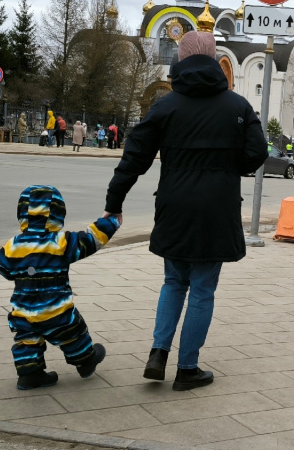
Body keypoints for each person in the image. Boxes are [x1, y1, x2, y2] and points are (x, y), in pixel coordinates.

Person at [104, 31, 268, 391]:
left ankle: (158, 354)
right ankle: (187, 368)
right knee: (203, 288)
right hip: (217, 208)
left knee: (173, 281)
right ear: (214, 60)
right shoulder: (237, 106)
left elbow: (134, 159)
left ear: (180, 60)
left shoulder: (165, 106)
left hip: (174, 204)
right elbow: (258, 152)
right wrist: (228, 168)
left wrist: (113, 203)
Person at [0, 185, 121, 390]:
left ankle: (30, 374)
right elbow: (91, 239)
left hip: (24, 310)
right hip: (56, 308)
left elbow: (3, 267)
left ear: (22, 214)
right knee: (73, 332)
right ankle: (85, 360)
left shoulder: (12, 246)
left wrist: (22, 271)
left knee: (27, 340)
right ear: (57, 214)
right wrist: (112, 222)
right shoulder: (61, 242)